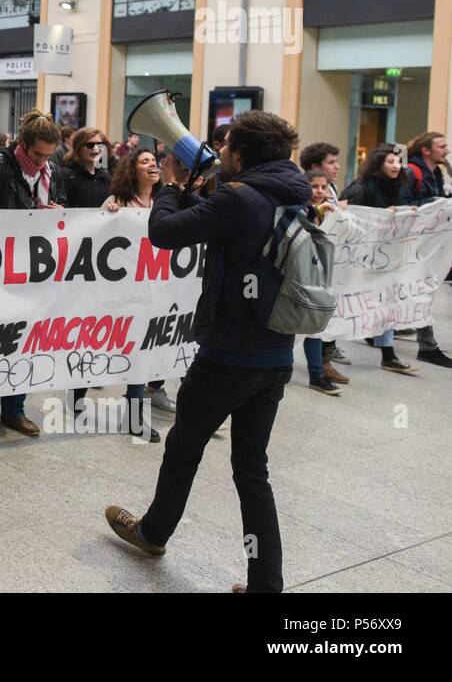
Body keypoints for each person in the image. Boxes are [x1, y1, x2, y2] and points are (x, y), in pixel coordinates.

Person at [105, 110, 310, 593]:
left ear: (241, 154)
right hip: (277, 353)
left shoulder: (241, 198)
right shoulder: (292, 194)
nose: (222, 154)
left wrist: (172, 186)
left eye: (228, 148)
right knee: (252, 470)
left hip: (229, 353)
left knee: (183, 448)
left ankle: (153, 533)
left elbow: (164, 233)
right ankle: (265, 583)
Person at [0, 110, 67, 437]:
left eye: (48, 156)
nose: (42, 162)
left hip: (35, 268)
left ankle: (15, 408)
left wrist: (59, 214)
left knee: (26, 340)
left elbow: (63, 209)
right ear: (23, 145)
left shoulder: (51, 172)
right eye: (37, 154)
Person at [97, 148, 170, 439]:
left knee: (145, 351)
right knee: (134, 350)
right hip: (127, 291)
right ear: (133, 169)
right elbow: (97, 234)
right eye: (145, 161)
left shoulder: (166, 201)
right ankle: (128, 411)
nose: (152, 164)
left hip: (160, 289)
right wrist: (108, 214)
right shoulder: (120, 202)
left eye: (154, 161)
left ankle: (135, 410)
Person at [340, 145, 418, 374]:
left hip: (381, 258)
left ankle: (388, 353)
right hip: (357, 259)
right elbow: (352, 223)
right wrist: (385, 216)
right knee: (346, 302)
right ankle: (326, 348)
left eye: (398, 162)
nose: (396, 166)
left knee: (387, 303)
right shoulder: (360, 189)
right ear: (378, 165)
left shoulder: (396, 187)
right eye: (390, 162)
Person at [399, 132, 452, 367]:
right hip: (413, 243)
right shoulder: (412, 172)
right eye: (442, 146)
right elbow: (402, 204)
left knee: (418, 289)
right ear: (426, 150)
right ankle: (427, 346)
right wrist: (433, 204)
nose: (447, 151)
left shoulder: (437, 173)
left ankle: (380, 332)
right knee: (421, 290)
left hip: (428, 243)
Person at [298, 141, 350, 365]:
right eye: (332, 162)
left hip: (324, 265)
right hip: (305, 267)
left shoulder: (333, 190)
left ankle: (321, 365)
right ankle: (318, 367)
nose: (337, 166)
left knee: (319, 319)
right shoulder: (300, 199)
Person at [301, 170, 347, 394]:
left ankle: (316, 374)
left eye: (323, 187)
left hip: (320, 277)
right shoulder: (298, 208)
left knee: (315, 328)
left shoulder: (334, 212)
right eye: (314, 186)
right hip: (299, 276)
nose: (319, 191)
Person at [61, 127, 111, 209]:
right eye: (90, 145)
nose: (96, 149)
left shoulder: (105, 176)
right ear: (79, 148)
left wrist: (112, 206)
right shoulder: (67, 175)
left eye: (99, 145)